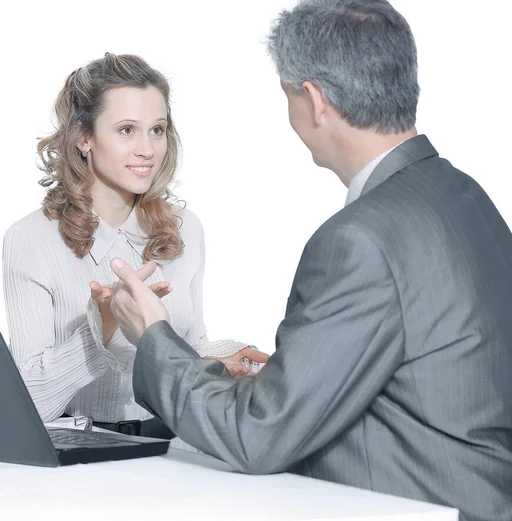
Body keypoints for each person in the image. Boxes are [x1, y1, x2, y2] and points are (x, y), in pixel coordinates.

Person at [106, 2, 512, 520]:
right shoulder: (463, 195)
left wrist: (154, 336)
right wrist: (300, 372)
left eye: (288, 95)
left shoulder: (360, 239)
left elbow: (256, 436)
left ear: (314, 100)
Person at [2, 53, 268, 440]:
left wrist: (224, 360)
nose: (148, 150)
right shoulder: (33, 239)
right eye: (127, 130)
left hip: (177, 448)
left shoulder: (185, 230)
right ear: (84, 138)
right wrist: (103, 328)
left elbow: (189, 346)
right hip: (86, 456)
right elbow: (26, 402)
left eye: (157, 130)